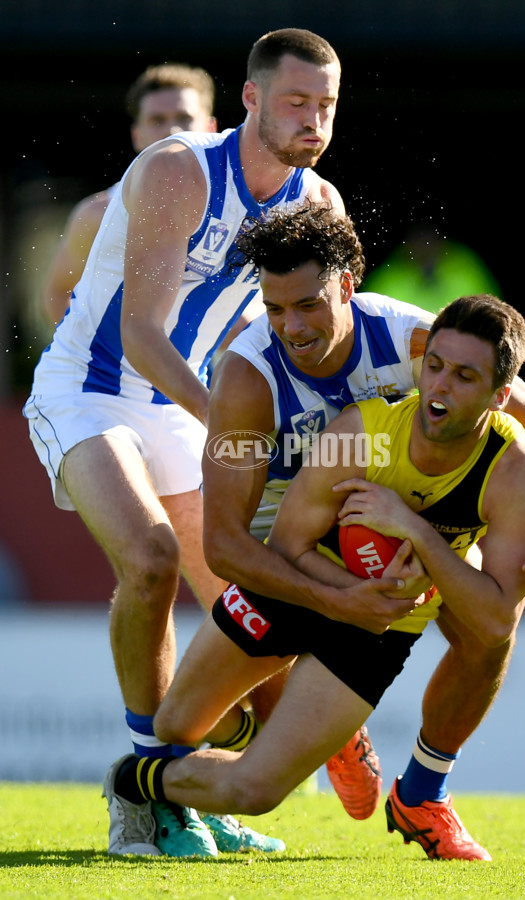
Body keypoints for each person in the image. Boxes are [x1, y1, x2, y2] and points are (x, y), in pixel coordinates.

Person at [133, 206, 525, 861]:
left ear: (348, 287)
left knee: (491, 626)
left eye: (307, 305)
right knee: (205, 717)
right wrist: (341, 601)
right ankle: (312, 729)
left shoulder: (415, 338)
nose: (290, 327)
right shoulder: (247, 378)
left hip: (399, 508)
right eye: (275, 308)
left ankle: (424, 792)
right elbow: (226, 546)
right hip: (284, 526)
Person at [23, 28, 350, 858]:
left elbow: (328, 336)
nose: (314, 119)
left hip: (179, 407)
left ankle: (192, 786)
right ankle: (143, 795)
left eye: (327, 105)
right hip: (90, 389)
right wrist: (236, 426)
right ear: (249, 99)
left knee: (257, 605)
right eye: (296, 102)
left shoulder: (320, 206)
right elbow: (140, 334)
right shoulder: (179, 169)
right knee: (153, 559)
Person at [42, 63, 218, 329]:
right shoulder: (97, 215)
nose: (173, 131)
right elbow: (58, 293)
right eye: (157, 120)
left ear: (210, 127)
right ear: (137, 135)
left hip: (210, 368)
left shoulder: (241, 208)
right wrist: (92, 358)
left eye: (183, 118)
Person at [361, 222, 501, 315]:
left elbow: (492, 313)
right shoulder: (388, 279)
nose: (425, 249)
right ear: (408, 246)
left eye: (430, 242)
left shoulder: (466, 270)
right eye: (419, 243)